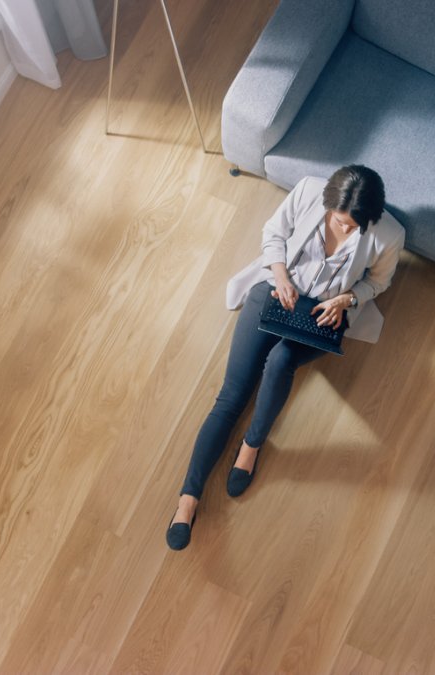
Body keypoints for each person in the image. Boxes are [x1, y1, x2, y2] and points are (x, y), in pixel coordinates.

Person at [166, 165, 405, 550]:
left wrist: (348, 298)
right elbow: (274, 234)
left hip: (323, 314)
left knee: (280, 362)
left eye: (353, 226)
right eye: (340, 222)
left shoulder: (389, 235)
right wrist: (279, 276)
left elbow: (380, 280)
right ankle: (187, 500)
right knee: (231, 396)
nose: (345, 230)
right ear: (328, 204)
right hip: (276, 291)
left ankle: (252, 445)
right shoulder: (309, 191)